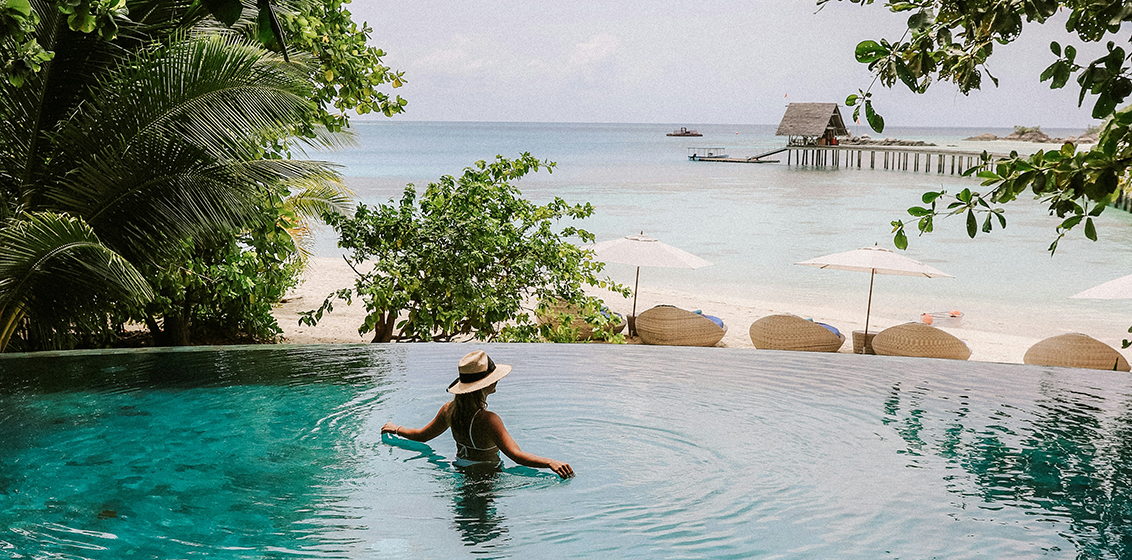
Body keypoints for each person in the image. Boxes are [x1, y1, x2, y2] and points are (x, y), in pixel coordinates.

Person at [381, 350, 574, 479]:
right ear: (484, 385)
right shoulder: (489, 420)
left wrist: (396, 429)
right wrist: (550, 462)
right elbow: (516, 455)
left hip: (460, 472)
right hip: (487, 479)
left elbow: (422, 436)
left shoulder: (449, 410)